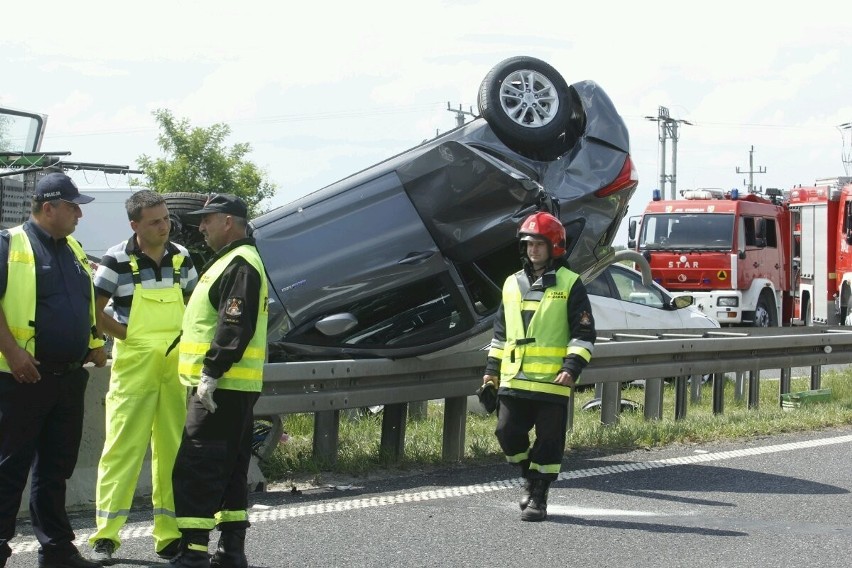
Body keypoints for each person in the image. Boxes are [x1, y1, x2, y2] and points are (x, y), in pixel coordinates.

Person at [0, 172, 108, 568]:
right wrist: (12, 354)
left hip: (67, 378)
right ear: (49, 208)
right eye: (73, 206)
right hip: (22, 379)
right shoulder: (9, 244)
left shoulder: (74, 248)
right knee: (9, 469)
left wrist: (94, 343)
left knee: (54, 469)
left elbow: (82, 305)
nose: (79, 213)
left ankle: (57, 551)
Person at [87, 190, 198, 565]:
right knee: (122, 449)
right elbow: (94, 309)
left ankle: (168, 535)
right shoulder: (116, 259)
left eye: (166, 219)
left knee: (172, 450)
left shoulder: (182, 257)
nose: (164, 226)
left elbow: (197, 309)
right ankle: (106, 535)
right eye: (155, 221)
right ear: (134, 225)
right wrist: (125, 336)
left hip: (174, 367)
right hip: (134, 366)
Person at [165, 194, 268, 568]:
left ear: (228, 221)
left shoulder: (239, 264)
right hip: (233, 386)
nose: (201, 227)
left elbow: (233, 326)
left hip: (219, 386)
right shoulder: (233, 261)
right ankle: (231, 550)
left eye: (207, 220)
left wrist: (210, 372)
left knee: (198, 464)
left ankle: (193, 551)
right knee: (230, 468)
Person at [482, 211, 596, 522]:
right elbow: (501, 334)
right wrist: (491, 372)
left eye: (539, 245)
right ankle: (529, 476)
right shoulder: (511, 284)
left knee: (549, 441)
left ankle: (539, 496)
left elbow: (584, 333)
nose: (533, 250)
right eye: (529, 244)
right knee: (507, 433)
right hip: (514, 378)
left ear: (554, 247)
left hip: (552, 381)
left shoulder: (570, 284)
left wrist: (571, 367)